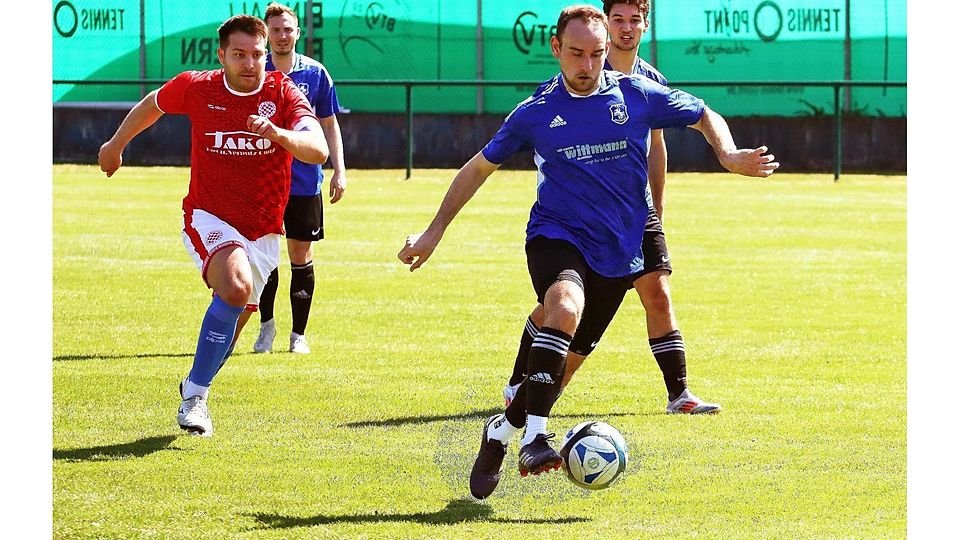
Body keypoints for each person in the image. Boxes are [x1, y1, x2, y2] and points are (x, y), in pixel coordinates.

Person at [397, 4, 777, 500]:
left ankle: (500, 432)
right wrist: (433, 233)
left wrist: (727, 154)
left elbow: (705, 113)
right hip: (556, 235)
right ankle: (535, 437)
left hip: (618, 251)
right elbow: (476, 169)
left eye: (596, 54)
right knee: (564, 306)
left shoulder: (636, 94)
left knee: (562, 369)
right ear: (556, 48)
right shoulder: (534, 112)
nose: (587, 65)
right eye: (576, 53)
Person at [97, 14, 329, 437]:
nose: (250, 63)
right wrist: (115, 145)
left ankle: (193, 383)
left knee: (234, 318)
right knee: (236, 288)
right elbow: (153, 103)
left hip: (263, 231)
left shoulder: (283, 92)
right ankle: (195, 400)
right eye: (239, 54)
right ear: (221, 55)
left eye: (257, 55)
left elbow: (318, 148)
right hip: (209, 216)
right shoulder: (198, 86)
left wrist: (278, 133)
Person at [502, 0, 718, 415]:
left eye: (634, 20)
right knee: (562, 306)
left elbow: (657, 147)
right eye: (617, 19)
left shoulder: (649, 81)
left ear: (645, 26)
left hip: (638, 210)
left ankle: (679, 394)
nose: (626, 28)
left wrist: (657, 207)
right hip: (583, 218)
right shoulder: (566, 85)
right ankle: (524, 385)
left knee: (657, 291)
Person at [252, 2, 347, 355]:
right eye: (274, 30)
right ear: (266, 33)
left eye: (287, 29)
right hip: (263, 181)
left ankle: (299, 335)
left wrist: (340, 169)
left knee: (299, 254)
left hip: (304, 182)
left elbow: (329, 123)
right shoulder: (254, 72)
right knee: (264, 255)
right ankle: (266, 329)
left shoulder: (315, 74)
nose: (281, 36)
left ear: (297, 32)